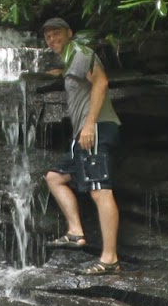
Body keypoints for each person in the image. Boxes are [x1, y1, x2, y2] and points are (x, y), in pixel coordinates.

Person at [41, 17, 123, 275]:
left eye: (56, 34)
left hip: (96, 129)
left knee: (100, 191)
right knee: (55, 177)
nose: (52, 39)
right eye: (48, 37)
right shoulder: (71, 60)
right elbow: (79, 78)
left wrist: (89, 126)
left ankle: (110, 259)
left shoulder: (80, 53)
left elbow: (101, 82)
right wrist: (60, 73)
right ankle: (76, 231)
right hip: (84, 134)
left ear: (70, 33)